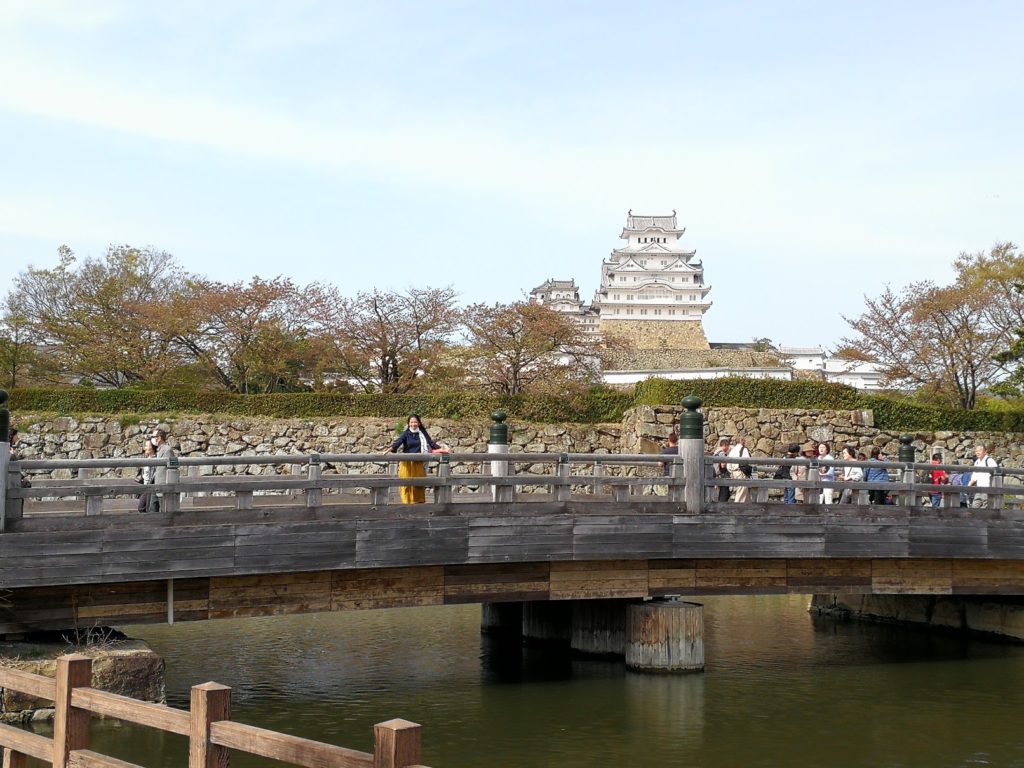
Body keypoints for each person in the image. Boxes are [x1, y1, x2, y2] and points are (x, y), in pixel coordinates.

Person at [386, 414, 442, 504]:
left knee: (418, 484)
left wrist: (442, 449)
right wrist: (389, 450)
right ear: (408, 423)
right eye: (411, 422)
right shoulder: (406, 433)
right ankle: (407, 503)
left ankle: (418, 503)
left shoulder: (422, 433)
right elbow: (398, 442)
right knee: (406, 484)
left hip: (418, 462)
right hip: (407, 463)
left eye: (415, 422)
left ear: (419, 423)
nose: (413, 424)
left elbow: (431, 443)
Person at [968, 443, 998, 509]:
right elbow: (974, 476)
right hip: (978, 489)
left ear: (985, 451)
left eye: (980, 450)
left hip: (987, 489)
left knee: (985, 508)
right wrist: (969, 484)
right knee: (974, 507)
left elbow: (996, 473)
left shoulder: (989, 461)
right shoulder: (977, 462)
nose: (977, 452)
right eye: (976, 451)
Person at [150, 428, 174, 507]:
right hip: (155, 485)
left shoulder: (167, 450)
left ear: (159, 438)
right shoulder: (158, 450)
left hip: (163, 487)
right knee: (152, 509)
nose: (152, 439)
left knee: (162, 509)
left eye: (153, 437)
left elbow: (172, 468)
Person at [727, 435, 752, 503]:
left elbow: (728, 465)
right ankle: (737, 507)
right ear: (741, 441)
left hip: (733, 472)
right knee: (741, 492)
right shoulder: (744, 449)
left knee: (744, 492)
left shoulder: (732, 450)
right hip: (741, 472)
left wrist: (731, 472)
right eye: (744, 440)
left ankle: (749, 507)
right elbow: (747, 461)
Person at [136, 439, 158, 513]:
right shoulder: (146, 458)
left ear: (152, 448)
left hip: (150, 486)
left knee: (144, 508)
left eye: (146, 446)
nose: (145, 448)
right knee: (142, 508)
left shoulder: (156, 459)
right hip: (145, 486)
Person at [712, 437, 731, 502]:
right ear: (724, 446)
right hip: (722, 475)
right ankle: (721, 505)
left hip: (716, 474)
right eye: (727, 446)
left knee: (719, 493)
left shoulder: (716, 452)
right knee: (724, 492)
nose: (728, 448)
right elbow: (723, 465)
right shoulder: (722, 453)